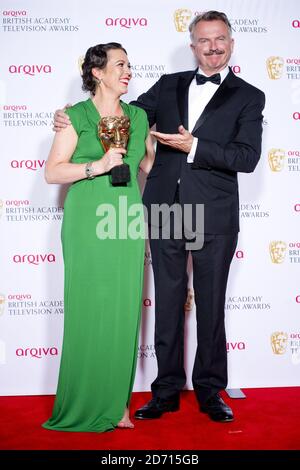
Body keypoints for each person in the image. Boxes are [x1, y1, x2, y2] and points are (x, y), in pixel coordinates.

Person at [53, 11, 265, 423]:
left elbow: (248, 157)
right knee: (166, 302)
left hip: (214, 214)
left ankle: (209, 390)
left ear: (232, 43)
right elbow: (118, 113)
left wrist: (195, 146)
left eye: (220, 39)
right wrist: (68, 116)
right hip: (166, 207)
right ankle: (165, 390)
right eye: (204, 40)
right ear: (192, 46)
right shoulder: (168, 85)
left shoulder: (249, 95)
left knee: (211, 304)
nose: (213, 47)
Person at [43, 42, 154, 433]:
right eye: (120, 64)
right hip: (87, 219)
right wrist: (96, 165)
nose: (128, 71)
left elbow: (150, 166)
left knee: (124, 310)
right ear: (97, 72)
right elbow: (53, 172)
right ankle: (83, 401)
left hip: (125, 219)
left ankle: (116, 404)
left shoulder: (138, 116)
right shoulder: (75, 116)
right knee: (88, 309)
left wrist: (175, 148)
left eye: (129, 64)